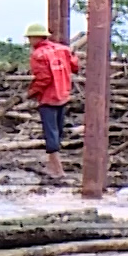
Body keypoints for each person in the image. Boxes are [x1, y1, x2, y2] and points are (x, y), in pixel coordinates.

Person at [25, 22, 79, 180]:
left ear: (36, 37)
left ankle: (58, 170)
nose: (29, 41)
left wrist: (31, 92)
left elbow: (44, 78)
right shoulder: (63, 50)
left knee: (51, 134)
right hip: (63, 94)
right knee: (58, 131)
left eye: (30, 38)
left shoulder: (39, 55)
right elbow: (75, 66)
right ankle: (51, 166)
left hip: (48, 98)